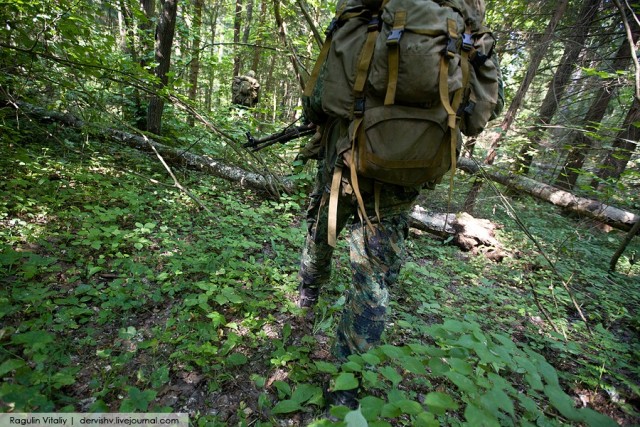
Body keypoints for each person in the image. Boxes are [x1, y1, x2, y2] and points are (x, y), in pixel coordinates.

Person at [297, 117, 422, 408]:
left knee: (320, 237)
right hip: (399, 182)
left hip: (342, 166)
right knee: (371, 285)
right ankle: (346, 388)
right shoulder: (454, 67)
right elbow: (483, 112)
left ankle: (308, 292)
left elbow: (318, 102)